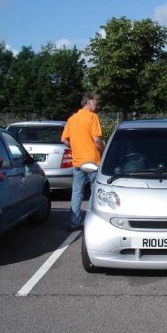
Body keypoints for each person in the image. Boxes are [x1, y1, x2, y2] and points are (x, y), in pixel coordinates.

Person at [61, 92, 104, 232]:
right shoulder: (92, 117)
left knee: (77, 192)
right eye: (96, 102)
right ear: (89, 102)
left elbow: (64, 139)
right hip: (93, 161)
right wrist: (103, 151)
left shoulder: (72, 119)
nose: (97, 105)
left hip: (78, 161)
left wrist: (75, 147)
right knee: (94, 190)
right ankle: (90, 220)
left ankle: (74, 222)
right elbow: (97, 140)